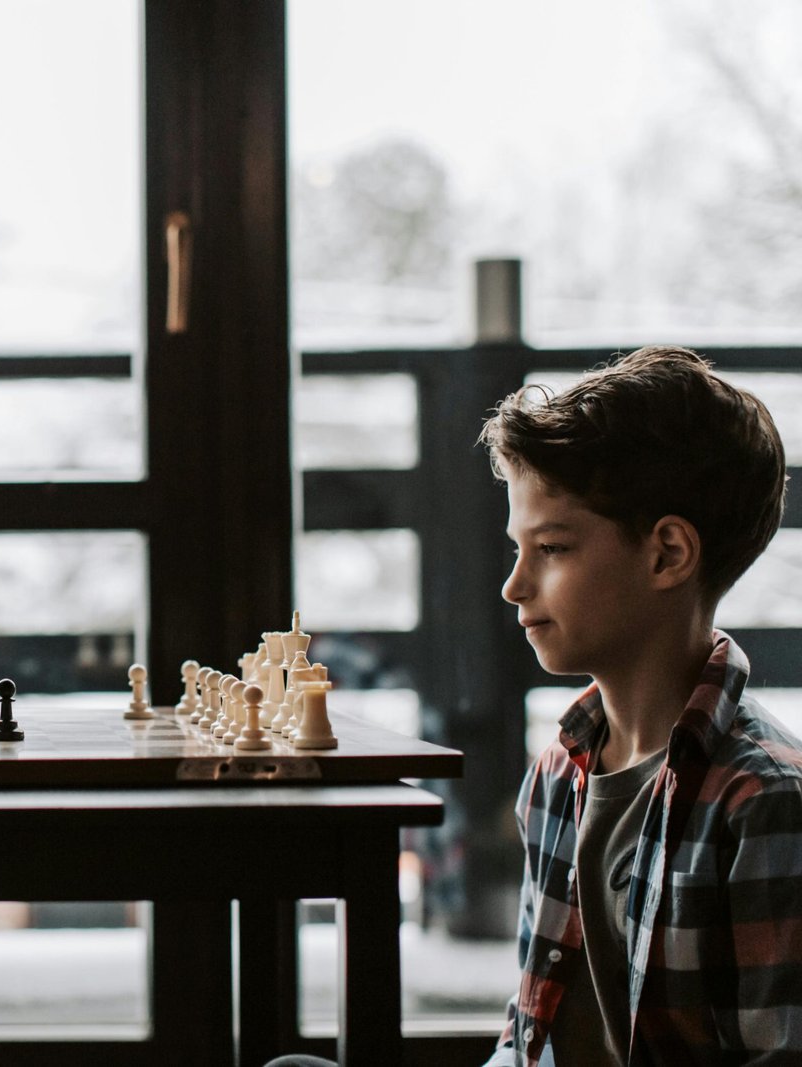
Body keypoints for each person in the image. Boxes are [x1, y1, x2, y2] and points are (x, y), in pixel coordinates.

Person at [267, 346, 798, 1067]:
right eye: (518, 548)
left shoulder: (764, 799)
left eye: (550, 547)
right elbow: (530, 1035)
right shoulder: (557, 772)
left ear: (668, 553)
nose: (514, 585)